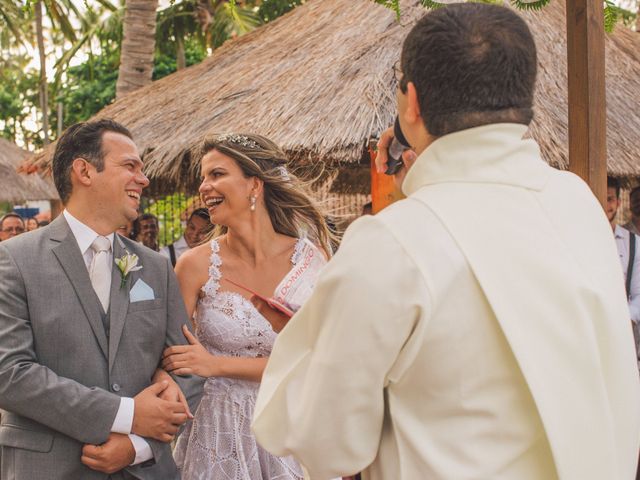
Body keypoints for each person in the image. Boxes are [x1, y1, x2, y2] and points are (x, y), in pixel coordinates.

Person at [252, 4, 640, 479]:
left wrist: (309, 329)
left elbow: (325, 443)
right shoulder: (578, 206)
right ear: (524, 99)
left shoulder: (392, 243)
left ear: (410, 102)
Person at [0, 119, 203, 479]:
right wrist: (127, 414)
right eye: (130, 166)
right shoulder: (14, 260)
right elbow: (10, 374)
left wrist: (137, 446)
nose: (143, 179)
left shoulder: (155, 267)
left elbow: (186, 368)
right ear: (84, 171)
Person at [162, 133, 332, 479]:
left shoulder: (313, 262)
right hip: (219, 431)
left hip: (292, 427)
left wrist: (215, 365)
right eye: (203, 177)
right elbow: (172, 357)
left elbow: (321, 358)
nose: (204, 187)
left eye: (217, 174)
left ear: (255, 184)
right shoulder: (193, 266)